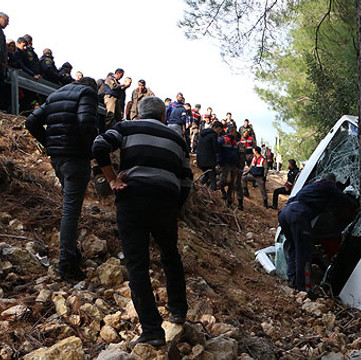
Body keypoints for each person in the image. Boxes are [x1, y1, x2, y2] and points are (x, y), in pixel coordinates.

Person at [92, 96, 191, 349]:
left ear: (137, 113)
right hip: (165, 202)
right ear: (163, 117)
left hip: (133, 198)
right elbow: (186, 180)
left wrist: (112, 178)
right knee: (170, 256)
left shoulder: (127, 127)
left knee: (137, 264)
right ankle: (178, 310)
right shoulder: (178, 139)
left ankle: (152, 331)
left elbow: (99, 145)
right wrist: (175, 205)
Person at [25, 77, 99, 282]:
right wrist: (92, 149)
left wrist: (49, 144)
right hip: (76, 157)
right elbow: (86, 122)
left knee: (69, 205)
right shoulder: (87, 93)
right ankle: (66, 263)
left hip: (57, 158)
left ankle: (72, 252)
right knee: (71, 210)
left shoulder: (55, 94)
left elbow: (31, 121)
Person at [278, 173, 358, 291]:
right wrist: (356, 206)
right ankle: (303, 288)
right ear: (333, 183)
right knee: (303, 252)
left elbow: (292, 200)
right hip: (298, 215)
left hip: (285, 213)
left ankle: (292, 279)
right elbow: (342, 199)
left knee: (293, 248)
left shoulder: (311, 187)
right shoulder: (327, 185)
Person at [217, 124, 244, 210]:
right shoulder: (223, 140)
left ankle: (230, 202)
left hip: (233, 166)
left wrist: (239, 167)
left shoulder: (235, 142)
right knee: (224, 181)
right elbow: (217, 150)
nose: (236, 134)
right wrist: (219, 161)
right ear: (231, 131)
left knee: (233, 185)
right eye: (235, 132)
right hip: (225, 165)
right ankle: (223, 194)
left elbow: (238, 156)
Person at [197, 120, 223, 190]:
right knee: (212, 178)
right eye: (219, 129)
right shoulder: (213, 135)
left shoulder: (203, 134)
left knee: (207, 175)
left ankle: (197, 187)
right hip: (208, 160)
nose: (220, 131)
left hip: (200, 159)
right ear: (215, 128)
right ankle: (213, 194)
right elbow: (215, 148)